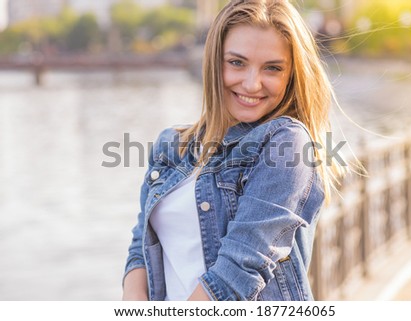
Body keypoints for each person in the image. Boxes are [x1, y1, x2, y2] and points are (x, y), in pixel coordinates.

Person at [122, 0, 347, 301]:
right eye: (237, 63)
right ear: (215, 61)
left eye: (272, 68)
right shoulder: (171, 144)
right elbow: (142, 244)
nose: (252, 84)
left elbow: (239, 269)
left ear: (292, 74)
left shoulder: (286, 142)